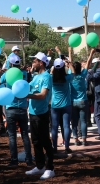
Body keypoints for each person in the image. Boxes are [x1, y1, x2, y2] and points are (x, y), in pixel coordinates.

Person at [25, 52, 55, 180]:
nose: (33, 63)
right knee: (36, 141)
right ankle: (40, 166)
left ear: (41, 63)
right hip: (32, 113)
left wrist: (27, 95)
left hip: (41, 114)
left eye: (35, 61)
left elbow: (43, 95)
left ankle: (50, 168)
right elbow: (27, 88)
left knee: (45, 142)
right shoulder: (35, 77)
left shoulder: (46, 77)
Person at [50, 55, 74, 154]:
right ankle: (67, 147)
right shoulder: (67, 78)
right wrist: (70, 63)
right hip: (66, 104)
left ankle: (54, 147)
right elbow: (73, 72)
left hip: (55, 105)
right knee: (66, 126)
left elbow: (51, 72)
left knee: (54, 127)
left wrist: (52, 69)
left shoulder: (51, 78)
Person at [69, 49, 89, 147]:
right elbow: (88, 63)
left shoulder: (71, 76)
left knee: (74, 121)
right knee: (83, 121)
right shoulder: (82, 76)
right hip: (83, 101)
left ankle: (76, 139)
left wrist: (69, 52)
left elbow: (70, 63)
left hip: (73, 102)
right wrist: (92, 53)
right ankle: (84, 140)